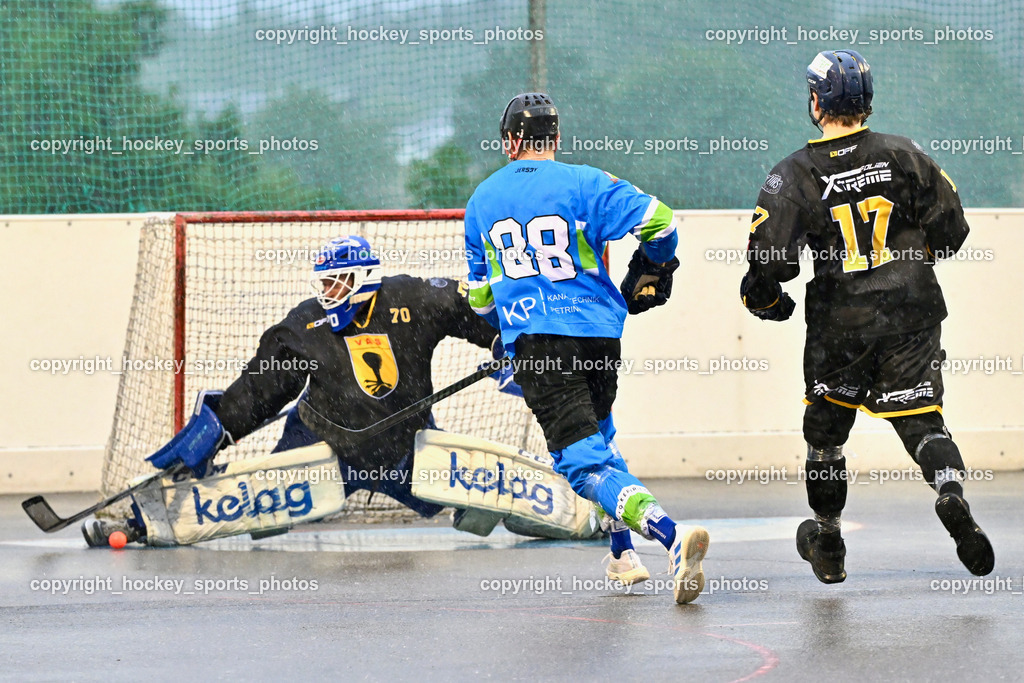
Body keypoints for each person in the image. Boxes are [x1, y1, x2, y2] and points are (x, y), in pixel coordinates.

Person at [740, 49, 994, 582]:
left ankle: (828, 541)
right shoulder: (905, 153)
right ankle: (949, 491)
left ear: (817, 102)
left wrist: (766, 302)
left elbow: (770, 261)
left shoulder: (794, 173)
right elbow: (952, 229)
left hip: (840, 326)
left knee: (826, 435)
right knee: (923, 422)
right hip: (913, 314)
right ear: (867, 101)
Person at [82, 236, 503, 546]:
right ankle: (137, 524)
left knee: (477, 503)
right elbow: (259, 390)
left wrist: (508, 341)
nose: (329, 292)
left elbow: (472, 309)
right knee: (254, 508)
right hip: (320, 444)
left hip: (403, 447)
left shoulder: (414, 297)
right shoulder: (304, 324)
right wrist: (216, 428)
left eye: (339, 282)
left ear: (365, 278)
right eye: (325, 283)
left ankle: (533, 508)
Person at [463, 92, 709, 604]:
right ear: (555, 138)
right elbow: (661, 222)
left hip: (539, 343)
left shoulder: (482, 200)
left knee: (582, 464)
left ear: (510, 141)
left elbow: (481, 296)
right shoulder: (586, 182)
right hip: (599, 336)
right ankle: (622, 555)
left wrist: (505, 329)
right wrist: (656, 264)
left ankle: (670, 535)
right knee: (600, 438)